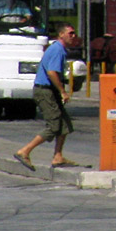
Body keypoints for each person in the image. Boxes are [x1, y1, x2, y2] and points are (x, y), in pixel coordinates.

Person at [13, 23, 78, 170]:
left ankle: (58, 156)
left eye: (74, 34)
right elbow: (51, 72)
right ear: (61, 34)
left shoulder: (58, 48)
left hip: (49, 90)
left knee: (64, 124)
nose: (73, 36)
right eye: (71, 33)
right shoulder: (58, 50)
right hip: (45, 91)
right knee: (54, 126)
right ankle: (24, 151)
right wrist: (62, 91)